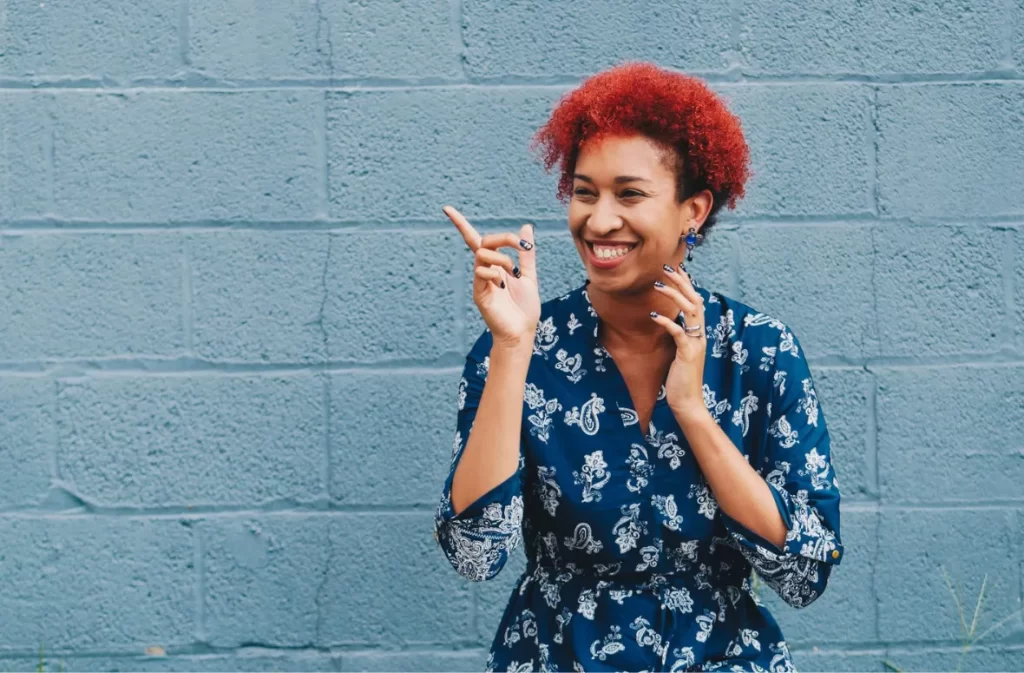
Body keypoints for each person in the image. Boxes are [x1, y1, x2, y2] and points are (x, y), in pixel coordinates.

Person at [433, 62, 844, 673]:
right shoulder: (518, 348)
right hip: (555, 657)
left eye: (630, 194)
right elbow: (474, 554)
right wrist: (514, 349)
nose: (599, 221)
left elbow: (804, 572)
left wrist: (693, 413)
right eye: (583, 192)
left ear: (693, 211)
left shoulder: (758, 352)